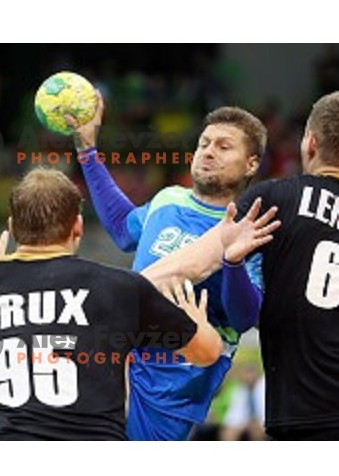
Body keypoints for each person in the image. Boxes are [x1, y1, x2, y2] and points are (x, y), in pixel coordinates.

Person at [143, 90, 339, 441]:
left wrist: (106, 295)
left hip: (308, 420)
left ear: (310, 142)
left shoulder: (276, 199)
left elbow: (191, 265)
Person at [0, 168, 222, 441]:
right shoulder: (119, 288)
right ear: (77, 226)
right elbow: (207, 353)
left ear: (13, 228)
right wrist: (195, 318)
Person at [66, 94, 278, 440]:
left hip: (179, 371)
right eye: (204, 143)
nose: (208, 152)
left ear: (251, 163)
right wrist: (88, 151)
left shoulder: (250, 224)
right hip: (124, 349)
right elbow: (122, 229)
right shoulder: (169, 198)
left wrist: (234, 262)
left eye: (224, 147)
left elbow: (244, 318)